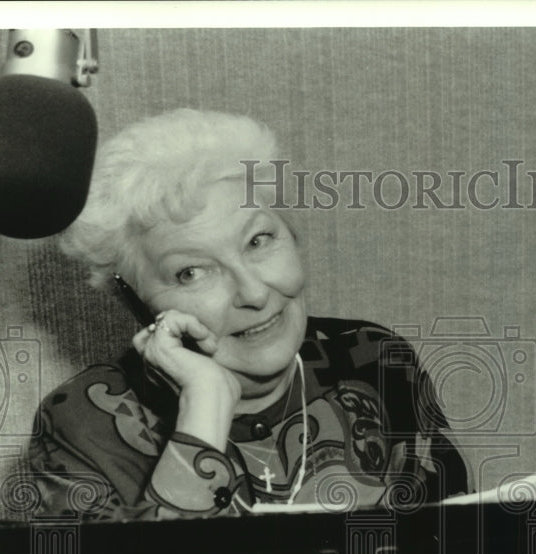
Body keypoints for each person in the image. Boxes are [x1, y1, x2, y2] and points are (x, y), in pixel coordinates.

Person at [27, 108, 469, 519]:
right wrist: (205, 406)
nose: (254, 293)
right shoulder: (83, 425)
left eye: (258, 241)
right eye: (191, 272)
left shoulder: (374, 360)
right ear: (135, 301)